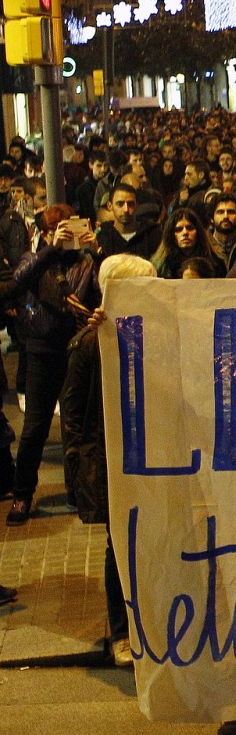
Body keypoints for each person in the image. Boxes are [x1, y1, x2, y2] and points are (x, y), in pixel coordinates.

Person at [58, 253, 156, 668]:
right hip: (113, 461)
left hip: (154, 456)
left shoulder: (156, 333)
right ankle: (121, 632)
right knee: (122, 547)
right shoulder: (90, 344)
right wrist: (84, 467)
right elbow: (74, 413)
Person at [7, 205, 97, 525]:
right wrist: (51, 250)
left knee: (77, 427)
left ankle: (78, 491)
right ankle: (22, 494)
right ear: (46, 233)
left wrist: (97, 250)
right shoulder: (34, 260)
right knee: (34, 429)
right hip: (41, 354)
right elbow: (17, 283)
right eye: (60, 230)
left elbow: (104, 292)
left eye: (70, 228)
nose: (68, 236)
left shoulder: (86, 263)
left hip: (75, 352)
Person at [152, 207, 220, 279]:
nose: (185, 233)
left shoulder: (214, 263)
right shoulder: (161, 266)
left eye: (190, 228)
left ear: (198, 232)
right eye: (178, 229)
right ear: (171, 235)